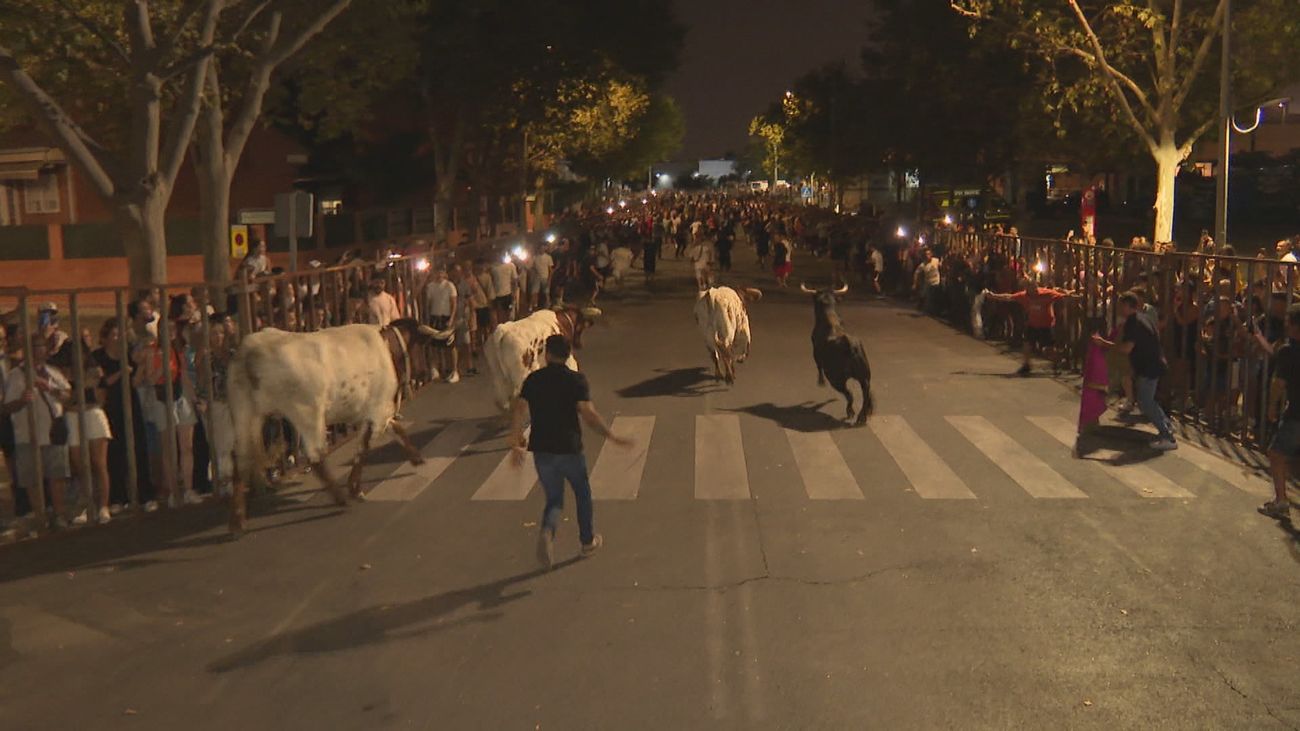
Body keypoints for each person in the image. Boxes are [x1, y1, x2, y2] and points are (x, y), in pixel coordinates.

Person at [509, 335, 631, 569]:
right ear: (568, 356)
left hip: (542, 450)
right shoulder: (576, 380)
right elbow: (588, 414)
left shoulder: (533, 379)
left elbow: (519, 409)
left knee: (554, 499)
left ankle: (548, 530)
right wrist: (611, 435)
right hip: (569, 448)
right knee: (582, 494)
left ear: (547, 354)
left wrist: (515, 441)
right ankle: (587, 542)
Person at [1092, 292, 1177, 451]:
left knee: (1145, 401)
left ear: (1126, 306)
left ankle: (1167, 436)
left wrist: (1103, 343)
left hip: (1149, 366)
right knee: (1147, 400)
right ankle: (1166, 425)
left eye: (1120, 305)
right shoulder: (1143, 318)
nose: (1118, 309)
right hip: (1154, 363)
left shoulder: (1133, 322)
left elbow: (1126, 348)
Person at [3, 339, 72, 531]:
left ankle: (59, 514)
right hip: (27, 434)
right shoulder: (16, 375)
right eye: (36, 347)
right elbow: (7, 407)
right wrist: (21, 401)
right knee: (32, 478)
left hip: (52, 433)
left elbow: (68, 395)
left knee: (57, 475)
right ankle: (40, 515)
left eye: (42, 347)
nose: (40, 351)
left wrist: (51, 389)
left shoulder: (53, 372)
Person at [1260, 303, 1300, 519]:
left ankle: (1281, 501)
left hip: (1297, 413)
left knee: (1276, 454)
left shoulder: (1289, 350)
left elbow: (1279, 382)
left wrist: (1271, 405)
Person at [986, 280, 1073, 376]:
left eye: (1034, 288)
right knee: (1027, 344)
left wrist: (1071, 294)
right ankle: (1026, 365)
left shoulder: (1046, 293)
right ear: (1027, 288)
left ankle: (1058, 362)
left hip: (1046, 325)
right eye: (1030, 288)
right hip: (1033, 324)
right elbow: (1009, 297)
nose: (1033, 290)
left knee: (1049, 349)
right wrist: (994, 296)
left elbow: (1062, 296)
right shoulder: (1024, 295)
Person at [422, 266, 459, 383]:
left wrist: (451, 318)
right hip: (435, 316)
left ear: (444, 273)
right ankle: (436, 368)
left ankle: (454, 370)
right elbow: (428, 303)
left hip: (446, 316)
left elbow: (454, 303)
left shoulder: (449, 285)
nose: (439, 274)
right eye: (437, 272)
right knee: (435, 345)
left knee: (450, 345)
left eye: (441, 272)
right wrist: (428, 318)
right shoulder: (431, 286)